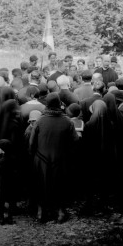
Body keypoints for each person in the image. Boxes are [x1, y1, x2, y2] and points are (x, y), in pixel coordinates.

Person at [29, 93, 78, 223]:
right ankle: (60, 212)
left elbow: (32, 143)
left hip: (41, 158)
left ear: (47, 104)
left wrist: (33, 157)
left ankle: (41, 212)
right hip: (61, 159)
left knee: (41, 185)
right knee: (60, 185)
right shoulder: (67, 121)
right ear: (59, 104)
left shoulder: (40, 120)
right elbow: (74, 141)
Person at [0, 139, 18, 225]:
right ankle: (10, 218)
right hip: (12, 183)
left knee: (1, 201)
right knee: (11, 200)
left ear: (2, 149)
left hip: (2, 184)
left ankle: (1, 218)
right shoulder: (14, 159)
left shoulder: (0, 161)